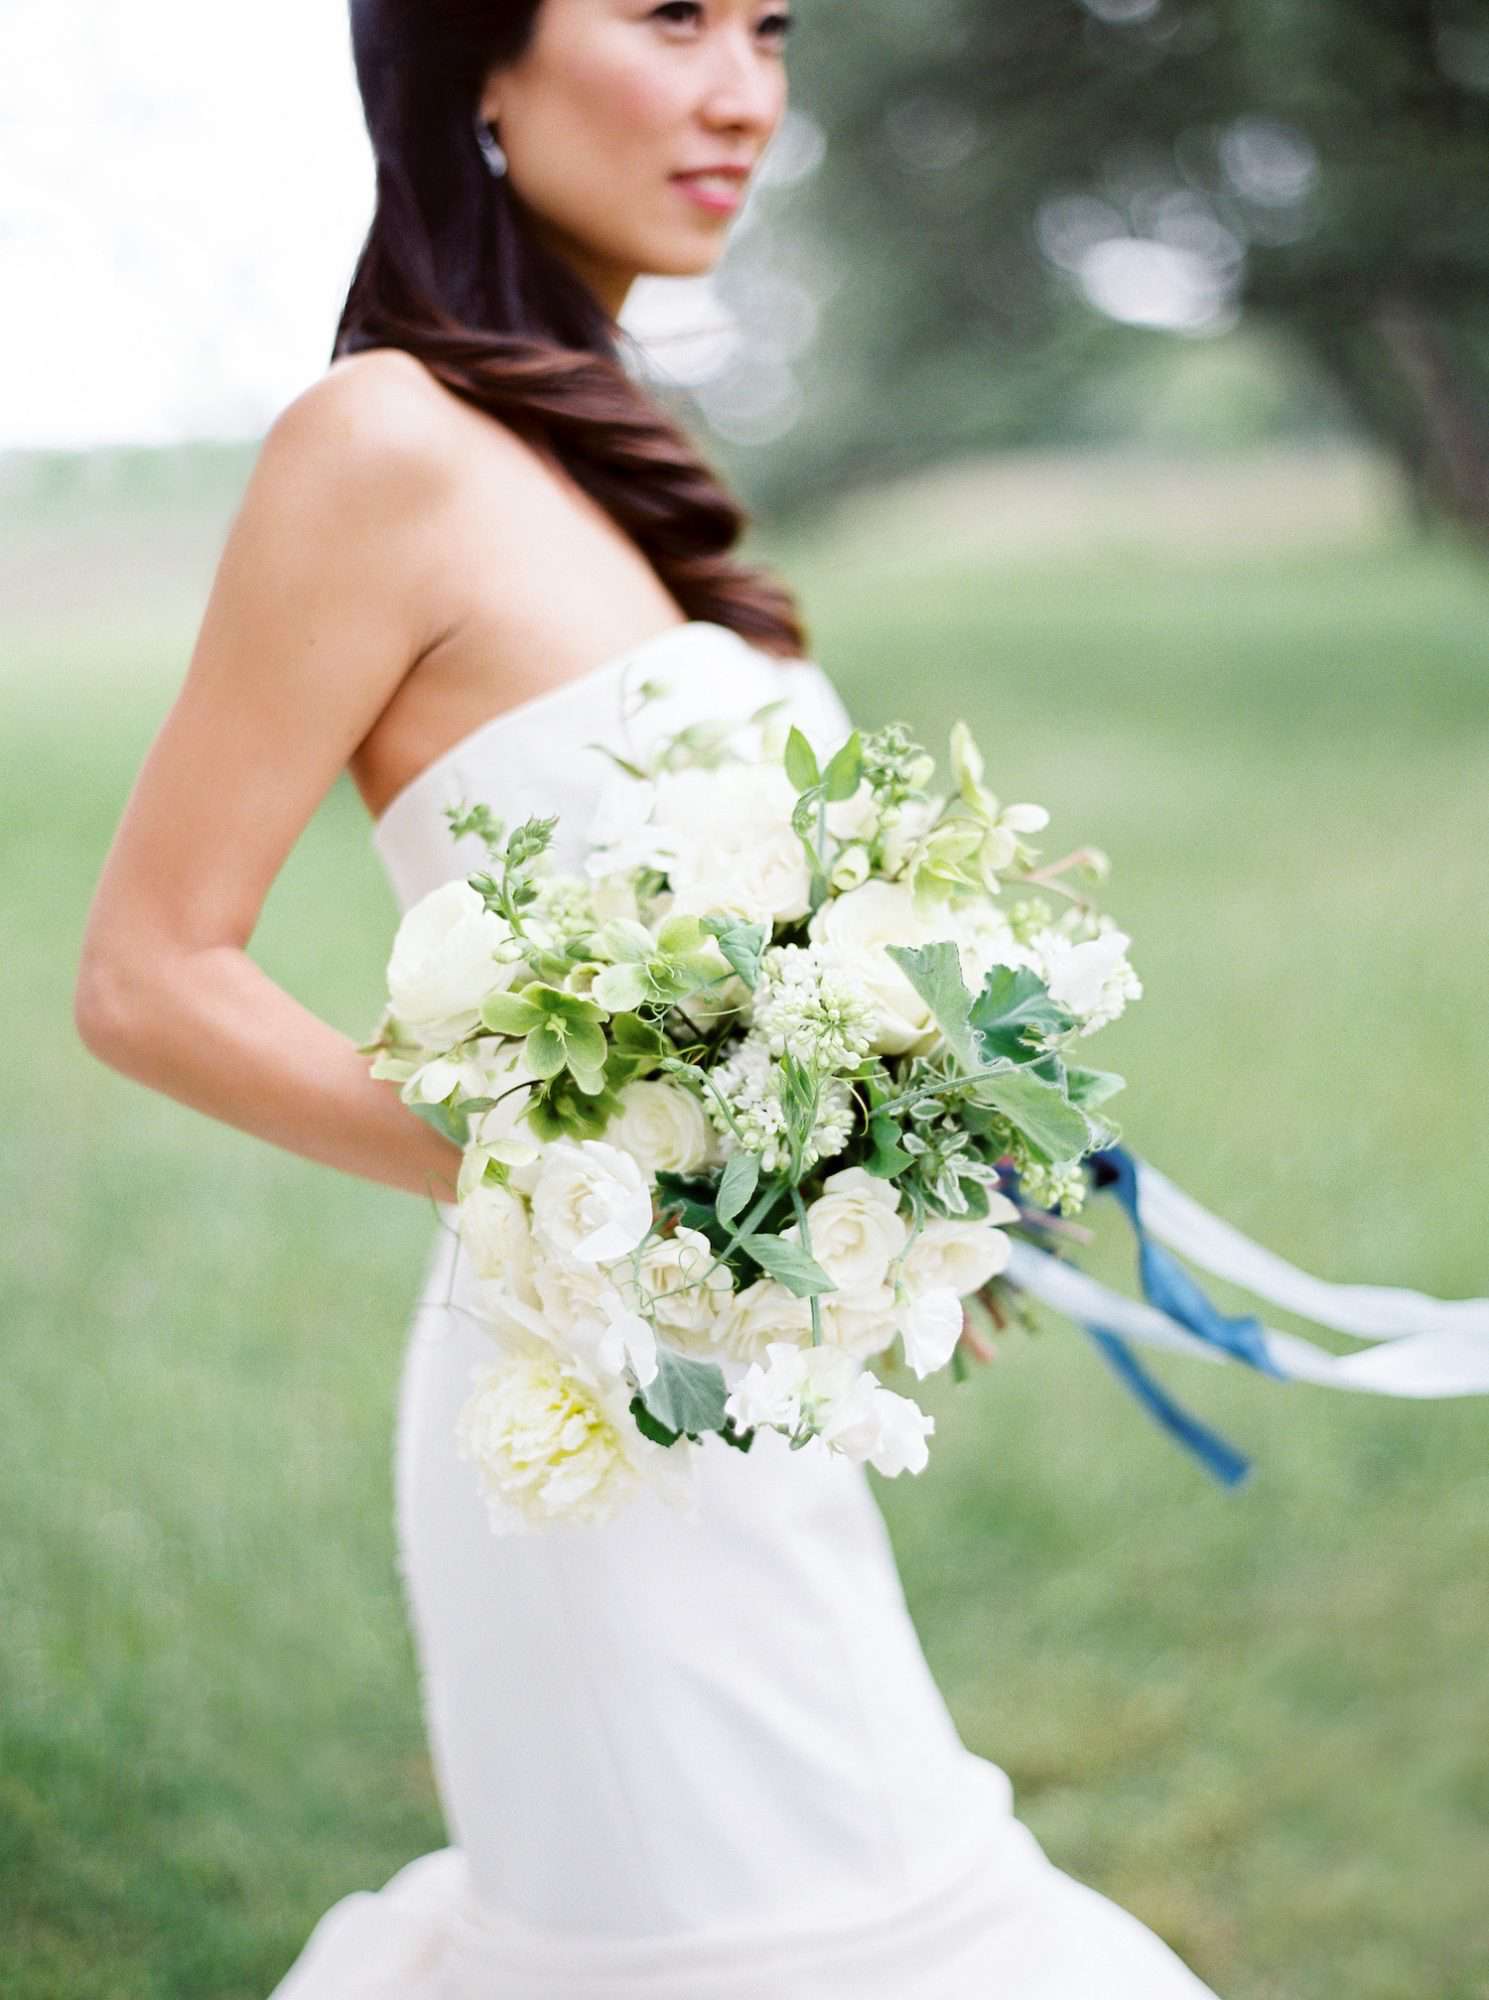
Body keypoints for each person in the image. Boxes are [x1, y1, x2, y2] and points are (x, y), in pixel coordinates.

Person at [74, 3, 1222, 1994]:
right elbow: (147, 972)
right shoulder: (379, 445)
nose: (743, 88)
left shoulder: (602, 454)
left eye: (771, 27)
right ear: (475, 68)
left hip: (744, 1397)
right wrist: (600, 1175)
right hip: (576, 1399)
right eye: (672, 13)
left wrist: (869, 1171)